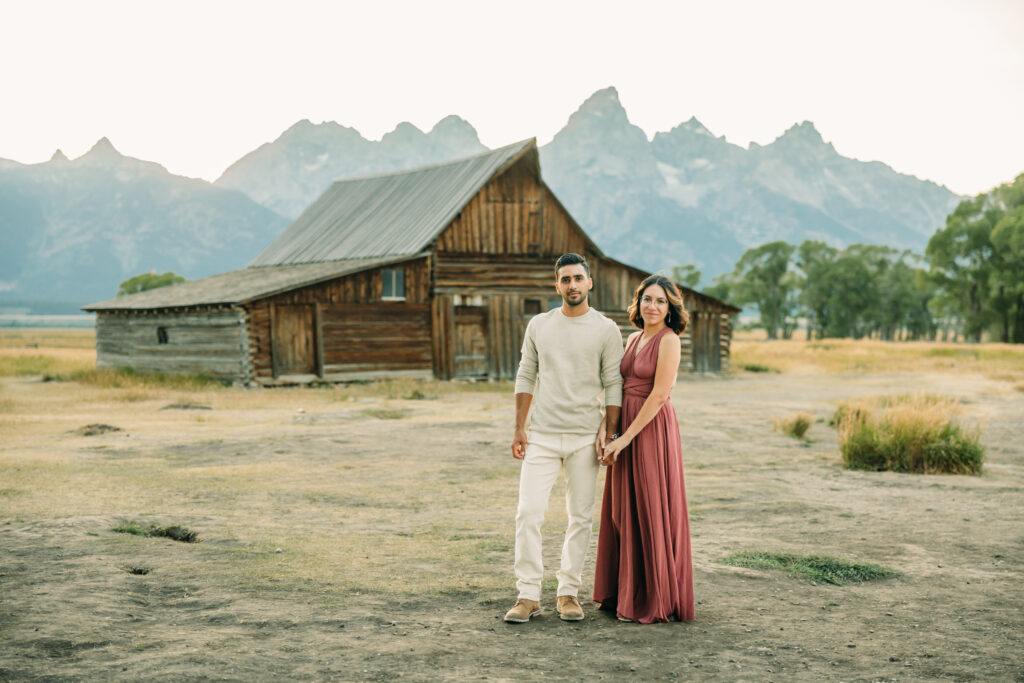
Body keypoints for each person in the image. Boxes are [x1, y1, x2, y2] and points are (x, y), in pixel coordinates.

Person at [504, 253, 624, 624]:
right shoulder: (539, 325)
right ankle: (527, 595)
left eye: (578, 278)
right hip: (541, 434)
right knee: (528, 513)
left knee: (580, 517)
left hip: (585, 439)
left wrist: (609, 433)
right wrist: (519, 427)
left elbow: (613, 384)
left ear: (590, 283)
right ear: (556, 285)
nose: (572, 285)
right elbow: (526, 375)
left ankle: (568, 592)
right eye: (565, 279)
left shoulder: (606, 329)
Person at [593, 274, 695, 623]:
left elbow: (660, 394)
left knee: (650, 507)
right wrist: (606, 430)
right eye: (647, 299)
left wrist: (625, 438)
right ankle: (624, 592)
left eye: (661, 301)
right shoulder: (633, 337)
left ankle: (652, 598)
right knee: (624, 511)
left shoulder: (669, 340)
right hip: (625, 425)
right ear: (638, 303)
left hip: (650, 430)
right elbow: (617, 386)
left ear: (670, 308)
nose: (652, 306)